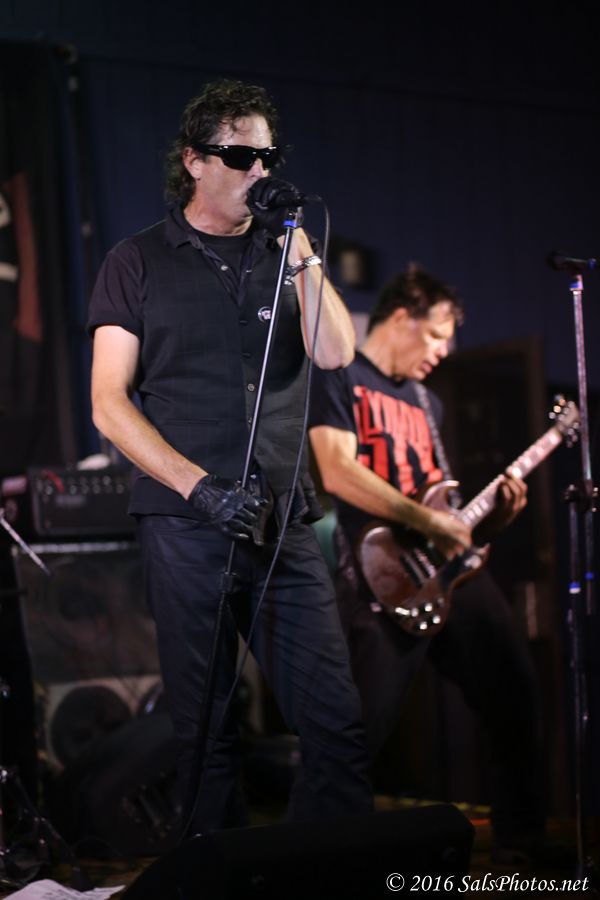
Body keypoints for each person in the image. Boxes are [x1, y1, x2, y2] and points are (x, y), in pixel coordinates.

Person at [87, 78, 373, 836]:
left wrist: (301, 247)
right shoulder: (136, 260)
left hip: (283, 520)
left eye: (269, 156)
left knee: (335, 721)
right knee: (206, 734)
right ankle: (217, 879)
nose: (260, 171)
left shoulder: (288, 254)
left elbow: (335, 353)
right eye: (242, 156)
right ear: (194, 160)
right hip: (187, 523)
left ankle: (330, 877)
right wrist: (199, 488)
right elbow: (108, 403)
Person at [308, 264, 549, 861]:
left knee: (514, 692)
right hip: (379, 574)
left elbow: (444, 511)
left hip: (447, 574)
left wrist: (491, 519)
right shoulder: (339, 376)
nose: (444, 351)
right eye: (438, 335)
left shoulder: (428, 402)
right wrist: (428, 522)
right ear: (400, 317)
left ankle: (521, 844)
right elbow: (336, 472)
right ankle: (309, 860)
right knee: (354, 732)